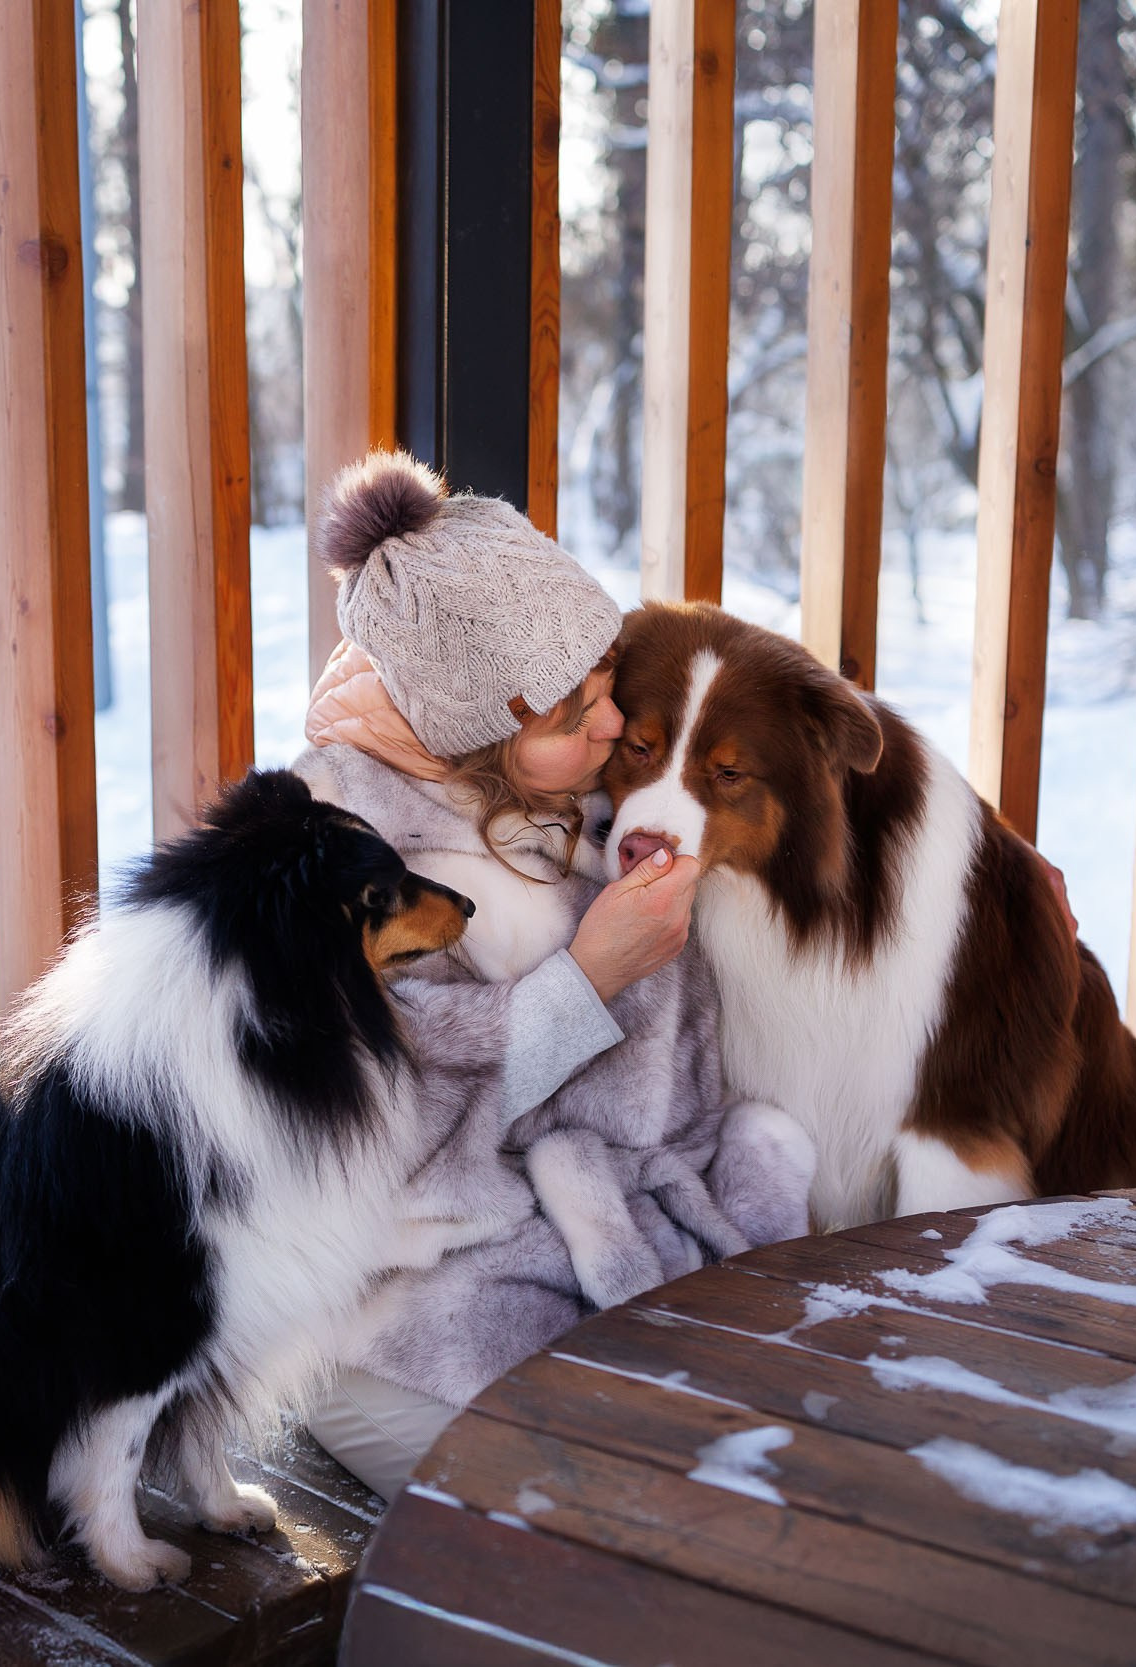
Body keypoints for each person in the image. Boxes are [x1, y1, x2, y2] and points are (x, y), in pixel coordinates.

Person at [291, 453, 815, 1501]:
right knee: (620, 1524)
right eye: (573, 715)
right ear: (481, 732)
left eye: (604, 686)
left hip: (619, 1240)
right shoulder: (341, 857)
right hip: (419, 1315)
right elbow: (391, 1127)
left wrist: (995, 864)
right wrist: (587, 976)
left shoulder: (551, 791)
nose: (613, 727)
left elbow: (811, 754)